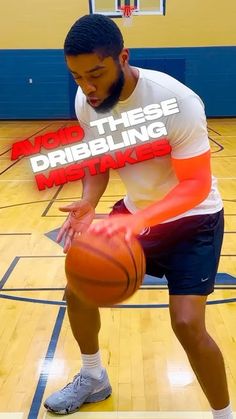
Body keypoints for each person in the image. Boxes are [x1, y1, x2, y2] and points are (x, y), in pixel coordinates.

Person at [44, 14, 233, 419]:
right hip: (135, 213)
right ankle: (93, 377)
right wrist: (90, 200)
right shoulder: (87, 102)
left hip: (193, 220)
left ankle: (224, 415)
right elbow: (98, 158)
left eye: (95, 73)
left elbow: (196, 185)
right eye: (77, 77)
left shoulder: (175, 101)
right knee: (78, 288)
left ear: (123, 57)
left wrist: (137, 222)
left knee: (186, 324)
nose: (87, 88)